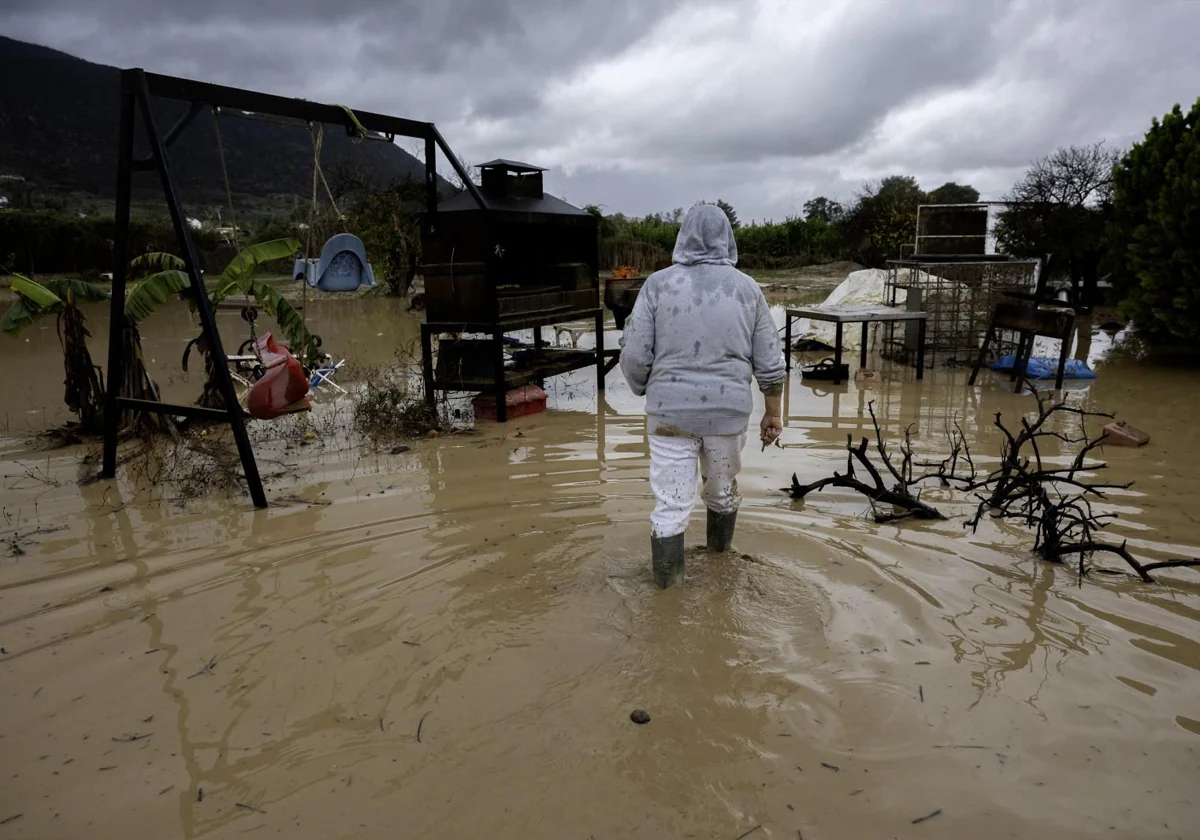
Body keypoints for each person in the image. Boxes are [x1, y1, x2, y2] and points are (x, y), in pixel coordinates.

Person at [619, 203, 785, 588]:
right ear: (728, 240)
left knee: (671, 506)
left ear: (683, 238)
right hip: (728, 415)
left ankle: (668, 597)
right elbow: (770, 362)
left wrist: (645, 388)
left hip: (669, 416)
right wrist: (772, 413)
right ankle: (719, 566)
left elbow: (635, 355)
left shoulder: (657, 285)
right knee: (723, 492)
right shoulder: (748, 289)